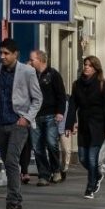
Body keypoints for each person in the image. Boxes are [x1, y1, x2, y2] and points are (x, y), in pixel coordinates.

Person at [0, 38, 42, 209]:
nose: (3, 56)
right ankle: (19, 204)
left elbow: (38, 99)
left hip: (18, 124)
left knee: (12, 161)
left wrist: (27, 118)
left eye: (6, 53)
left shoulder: (28, 72)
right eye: (1, 52)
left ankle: (12, 204)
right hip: (0, 123)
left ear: (16, 54)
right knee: (8, 163)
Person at [65, 55, 105, 199]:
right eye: (85, 64)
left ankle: (90, 188)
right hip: (84, 126)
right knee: (82, 158)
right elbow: (73, 105)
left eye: (90, 65)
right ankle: (97, 174)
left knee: (92, 159)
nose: (86, 67)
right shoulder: (77, 84)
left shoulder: (102, 84)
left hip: (98, 126)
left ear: (96, 69)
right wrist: (69, 124)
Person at [28, 50, 66, 186]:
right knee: (37, 146)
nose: (30, 62)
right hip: (34, 116)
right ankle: (43, 174)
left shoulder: (53, 75)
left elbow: (61, 95)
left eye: (32, 60)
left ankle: (56, 170)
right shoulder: (30, 75)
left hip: (50, 114)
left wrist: (60, 112)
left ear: (40, 60)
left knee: (51, 143)